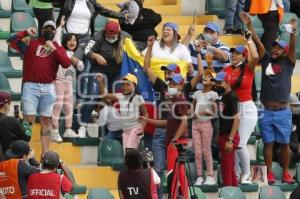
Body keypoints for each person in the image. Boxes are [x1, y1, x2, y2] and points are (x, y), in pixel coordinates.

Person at [143, 33, 200, 199]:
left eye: (170, 73)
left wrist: (198, 54)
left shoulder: (184, 91)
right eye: (166, 73)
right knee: (159, 170)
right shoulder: (162, 85)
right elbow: (146, 67)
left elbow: (199, 76)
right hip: (162, 131)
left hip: (176, 133)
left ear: (178, 76)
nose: (167, 76)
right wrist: (150, 47)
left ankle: (179, 196)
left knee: (176, 170)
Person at [243, 11, 297, 184]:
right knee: (268, 144)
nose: (274, 49)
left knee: (285, 145)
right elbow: (258, 42)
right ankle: (269, 174)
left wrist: (293, 33)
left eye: (279, 48)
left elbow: (293, 49)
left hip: (283, 112)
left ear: (285, 51)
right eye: (274, 47)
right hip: (266, 111)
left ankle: (286, 173)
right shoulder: (266, 59)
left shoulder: (288, 63)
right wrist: (249, 26)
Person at [8, 21, 71, 154]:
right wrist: (25, 32)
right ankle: (24, 153)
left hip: (48, 88)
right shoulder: (31, 43)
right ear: (42, 30)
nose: (49, 30)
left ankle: (45, 155)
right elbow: (11, 41)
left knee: (45, 122)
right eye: (46, 28)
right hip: (30, 86)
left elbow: (66, 63)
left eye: (52, 29)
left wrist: (54, 48)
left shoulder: (57, 47)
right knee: (28, 120)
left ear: (55, 32)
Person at [139, 73, 190, 199]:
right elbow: (168, 123)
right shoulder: (173, 101)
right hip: (175, 141)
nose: (170, 85)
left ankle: (176, 196)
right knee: (176, 173)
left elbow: (185, 122)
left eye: (174, 83)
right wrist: (149, 120)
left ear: (181, 86)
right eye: (170, 83)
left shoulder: (179, 99)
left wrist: (174, 139)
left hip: (177, 142)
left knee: (175, 173)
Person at [79, 21, 131, 135]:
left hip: (117, 73)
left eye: (113, 36)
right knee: (92, 97)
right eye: (109, 35)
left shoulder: (125, 37)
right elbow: (87, 50)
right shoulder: (98, 36)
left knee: (116, 99)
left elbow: (134, 51)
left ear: (118, 32)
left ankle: (112, 129)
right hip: (99, 71)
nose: (111, 37)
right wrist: (96, 55)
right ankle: (83, 125)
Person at [223, 26, 259, 184]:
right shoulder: (227, 69)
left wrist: (249, 40)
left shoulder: (248, 69)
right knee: (234, 144)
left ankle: (246, 174)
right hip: (232, 108)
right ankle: (236, 173)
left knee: (240, 143)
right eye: (232, 53)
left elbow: (256, 56)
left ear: (244, 56)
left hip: (247, 108)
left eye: (237, 53)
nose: (233, 55)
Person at [51, 17, 84, 142]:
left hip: (69, 84)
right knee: (58, 106)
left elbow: (81, 66)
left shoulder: (74, 55)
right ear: (65, 41)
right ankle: (54, 129)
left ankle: (68, 129)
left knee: (69, 106)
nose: (72, 42)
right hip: (58, 82)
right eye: (69, 40)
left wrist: (78, 62)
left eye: (74, 40)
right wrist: (60, 26)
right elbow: (56, 39)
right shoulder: (60, 50)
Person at [97, 73, 148, 152]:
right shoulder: (119, 96)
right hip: (125, 130)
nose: (124, 87)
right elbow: (104, 95)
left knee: (129, 151)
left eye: (128, 85)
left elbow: (145, 114)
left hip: (135, 129)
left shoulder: (139, 98)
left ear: (134, 86)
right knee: (127, 153)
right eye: (123, 85)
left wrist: (142, 128)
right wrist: (100, 81)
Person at [213, 71, 240, 187]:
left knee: (226, 169)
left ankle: (228, 193)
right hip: (224, 135)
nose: (218, 85)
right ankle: (235, 191)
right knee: (229, 168)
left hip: (229, 136)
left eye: (220, 82)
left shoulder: (232, 97)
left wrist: (230, 140)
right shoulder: (223, 96)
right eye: (217, 82)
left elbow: (237, 119)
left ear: (228, 83)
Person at [192, 70, 218, 186]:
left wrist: (201, 113)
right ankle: (199, 176)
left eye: (208, 77)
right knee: (197, 152)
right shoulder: (197, 93)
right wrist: (191, 114)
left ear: (213, 82)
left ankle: (210, 176)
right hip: (195, 125)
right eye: (205, 77)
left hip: (206, 125)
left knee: (206, 150)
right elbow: (192, 108)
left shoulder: (213, 94)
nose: (205, 78)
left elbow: (214, 111)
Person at [0, 92, 32, 159]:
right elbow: (27, 137)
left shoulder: (11, 121)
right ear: (6, 105)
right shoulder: (11, 121)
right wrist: (22, 121)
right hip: (9, 160)